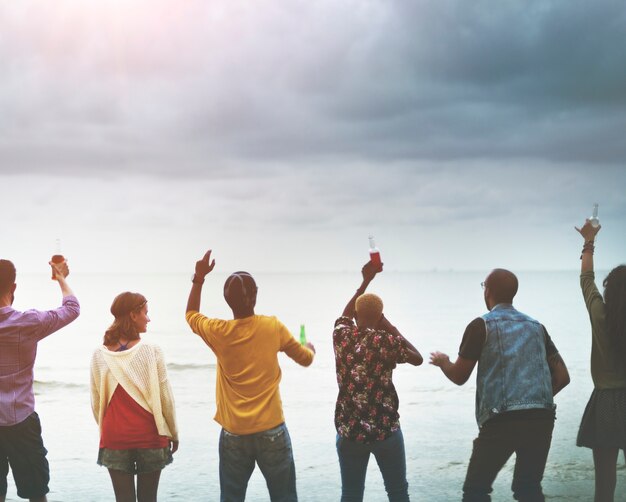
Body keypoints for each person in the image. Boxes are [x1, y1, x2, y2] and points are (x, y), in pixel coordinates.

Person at [185, 249, 315, 502]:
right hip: (272, 430)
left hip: (234, 432)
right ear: (255, 296)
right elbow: (305, 359)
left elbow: (190, 315)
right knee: (284, 497)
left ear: (226, 300)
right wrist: (309, 348)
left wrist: (199, 278)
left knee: (232, 498)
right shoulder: (272, 326)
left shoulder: (218, 331)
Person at [430, 268, 570, 502]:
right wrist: (531, 399)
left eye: (484, 286)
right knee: (528, 489)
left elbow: (459, 376)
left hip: (501, 419)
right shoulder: (536, 327)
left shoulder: (480, 326)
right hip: (541, 418)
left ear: (488, 291)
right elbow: (563, 377)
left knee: (476, 490)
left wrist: (444, 362)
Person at [333, 261, 423, 502]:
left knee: (351, 494)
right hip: (386, 430)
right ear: (379, 316)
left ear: (355, 315)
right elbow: (417, 358)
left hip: (350, 431)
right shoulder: (386, 342)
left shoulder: (341, 336)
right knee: (397, 492)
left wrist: (365, 281)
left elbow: (344, 314)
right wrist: (387, 323)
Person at [0, 258, 80, 502]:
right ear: (14, 287)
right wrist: (61, 278)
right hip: (22, 421)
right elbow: (72, 308)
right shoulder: (28, 322)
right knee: (36, 493)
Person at [90, 292, 178, 502]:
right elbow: (166, 397)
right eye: (146, 313)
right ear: (133, 314)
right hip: (150, 435)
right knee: (149, 499)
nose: (149, 318)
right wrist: (173, 432)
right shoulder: (151, 351)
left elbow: (95, 403)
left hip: (114, 438)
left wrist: (109, 429)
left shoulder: (99, 354)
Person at [575, 219, 626, 502]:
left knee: (604, 485)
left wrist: (589, 242)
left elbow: (586, 279)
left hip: (606, 402)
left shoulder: (600, 315)